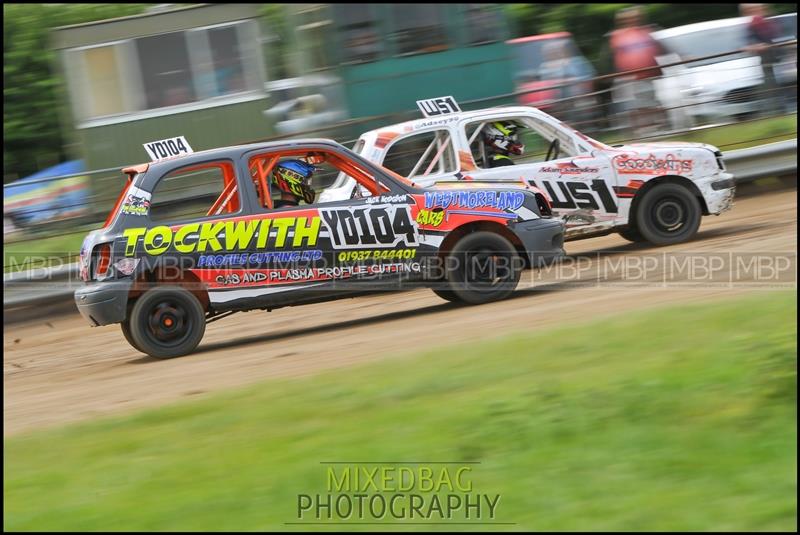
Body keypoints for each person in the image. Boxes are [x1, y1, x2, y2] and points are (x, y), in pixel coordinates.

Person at [609, 6, 665, 134]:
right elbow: (612, 57)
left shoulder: (647, 32)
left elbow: (661, 49)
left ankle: (657, 129)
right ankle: (639, 133)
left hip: (648, 75)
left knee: (651, 103)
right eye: (631, 18)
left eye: (636, 18)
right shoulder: (618, 36)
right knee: (633, 106)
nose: (634, 20)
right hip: (628, 78)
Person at [740, 3, 782, 113]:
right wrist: (753, 45)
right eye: (750, 9)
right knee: (771, 85)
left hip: (779, 57)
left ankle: (777, 110)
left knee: (777, 85)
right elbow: (749, 40)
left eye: (755, 8)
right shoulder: (752, 23)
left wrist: (764, 45)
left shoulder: (769, 20)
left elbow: (777, 35)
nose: (753, 11)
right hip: (767, 60)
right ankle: (776, 111)